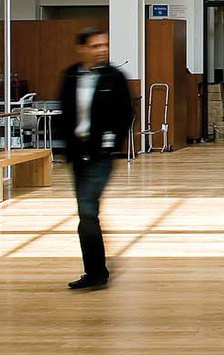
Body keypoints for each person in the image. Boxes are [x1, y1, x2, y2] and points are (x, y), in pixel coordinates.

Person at [56, 28, 134, 291]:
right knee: (86, 213)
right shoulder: (70, 76)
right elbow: (65, 112)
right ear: (83, 49)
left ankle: (96, 273)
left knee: (88, 210)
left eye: (105, 45)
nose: (102, 49)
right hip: (78, 153)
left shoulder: (114, 78)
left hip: (102, 154)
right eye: (96, 46)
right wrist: (67, 147)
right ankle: (95, 269)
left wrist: (112, 144)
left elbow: (126, 114)